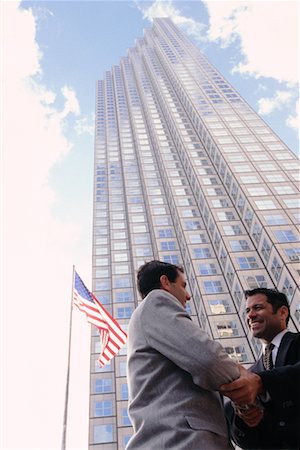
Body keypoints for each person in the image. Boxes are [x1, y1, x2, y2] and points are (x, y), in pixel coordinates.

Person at [126, 260, 256, 450]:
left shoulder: (149, 318)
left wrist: (242, 405)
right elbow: (209, 360)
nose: (188, 296)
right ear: (165, 282)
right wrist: (249, 380)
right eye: (183, 285)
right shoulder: (157, 300)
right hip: (181, 440)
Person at [221, 288, 300, 449]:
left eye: (258, 308)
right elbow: (246, 442)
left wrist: (262, 382)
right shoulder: (250, 375)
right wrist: (245, 419)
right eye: (247, 310)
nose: (250, 315)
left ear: (283, 312)